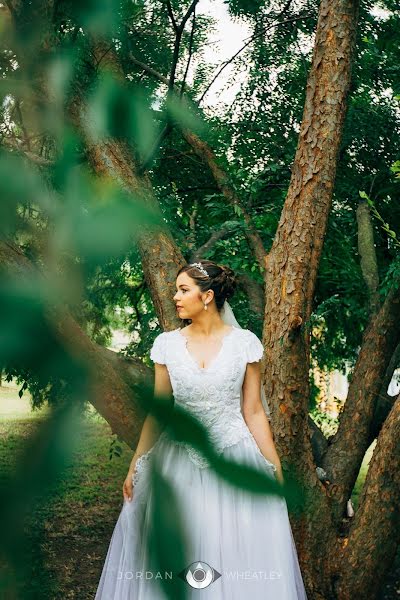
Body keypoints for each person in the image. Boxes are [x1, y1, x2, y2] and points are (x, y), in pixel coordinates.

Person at [95, 260, 308, 599]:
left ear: (207, 296)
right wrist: (137, 460)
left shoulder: (245, 344)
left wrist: (274, 466)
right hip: (177, 462)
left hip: (234, 456)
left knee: (236, 555)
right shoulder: (166, 345)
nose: (175, 297)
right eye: (176, 290)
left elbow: (252, 411)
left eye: (183, 290)